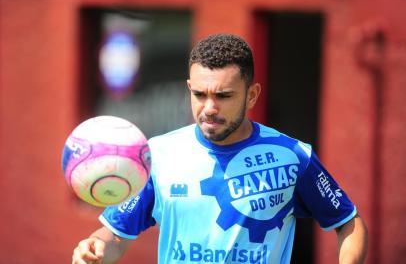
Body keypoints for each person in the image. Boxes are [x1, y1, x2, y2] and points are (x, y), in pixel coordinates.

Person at [72, 33, 368, 264]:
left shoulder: (292, 157)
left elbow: (348, 222)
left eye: (224, 96)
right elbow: (115, 235)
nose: (209, 108)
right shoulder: (158, 155)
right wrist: (95, 248)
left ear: (251, 96)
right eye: (199, 94)